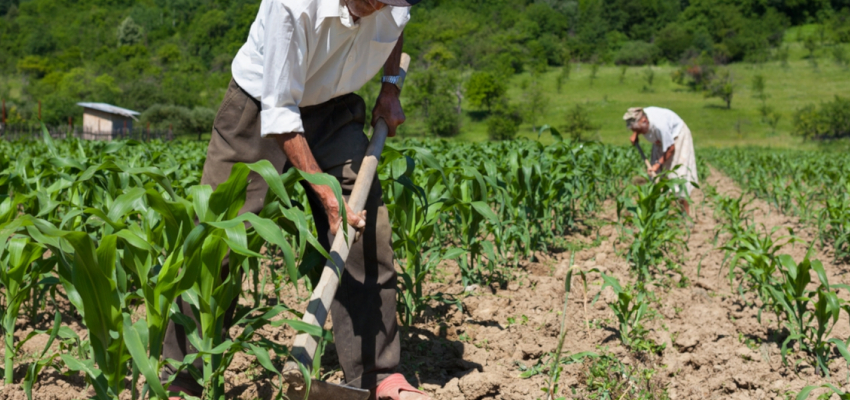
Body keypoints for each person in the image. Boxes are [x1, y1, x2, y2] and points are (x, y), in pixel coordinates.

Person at [160, 0, 432, 399]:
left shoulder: (394, 3)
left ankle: (377, 375)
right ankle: (182, 378)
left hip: (335, 105)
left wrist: (390, 87)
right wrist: (328, 198)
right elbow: (280, 113)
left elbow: (395, 27)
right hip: (261, 106)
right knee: (217, 241)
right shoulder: (293, 5)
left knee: (365, 231)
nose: (384, 7)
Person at [624, 107, 699, 215]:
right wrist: (636, 133)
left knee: (678, 177)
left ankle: (685, 215)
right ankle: (659, 214)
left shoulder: (660, 126)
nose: (638, 132)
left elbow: (671, 148)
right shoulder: (640, 116)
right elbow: (637, 123)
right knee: (655, 177)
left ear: (645, 121)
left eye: (638, 129)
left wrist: (658, 164)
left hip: (677, 137)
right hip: (659, 140)